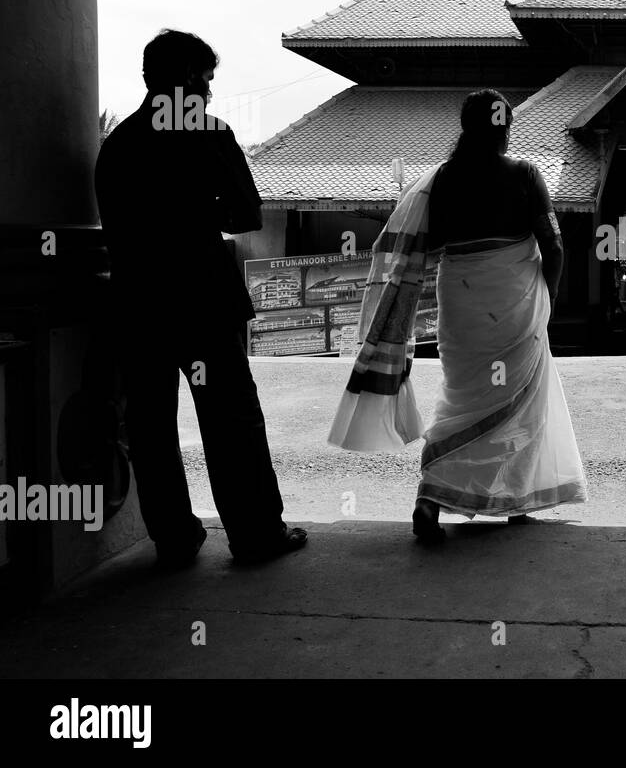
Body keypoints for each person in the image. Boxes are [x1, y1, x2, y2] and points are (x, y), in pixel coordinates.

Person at [329, 89, 587, 541]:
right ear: (505, 128)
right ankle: (513, 501)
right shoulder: (525, 174)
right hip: (517, 301)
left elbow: (423, 247)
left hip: (461, 299)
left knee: (461, 395)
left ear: (465, 128)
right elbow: (555, 244)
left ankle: (430, 497)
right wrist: (547, 297)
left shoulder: (440, 181)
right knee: (519, 402)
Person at [95, 29, 307, 568]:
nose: (210, 91)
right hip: (202, 304)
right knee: (231, 420)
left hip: (138, 306)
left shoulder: (118, 146)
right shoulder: (210, 135)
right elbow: (246, 216)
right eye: (208, 79)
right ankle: (256, 534)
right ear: (190, 78)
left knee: (149, 425)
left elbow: (119, 229)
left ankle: (175, 538)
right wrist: (197, 213)